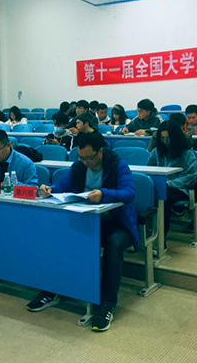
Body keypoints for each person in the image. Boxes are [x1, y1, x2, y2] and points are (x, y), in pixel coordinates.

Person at [32, 132, 138, 332]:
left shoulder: (118, 165)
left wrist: (104, 193)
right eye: (81, 157)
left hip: (116, 222)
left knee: (113, 245)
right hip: (86, 219)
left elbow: (129, 193)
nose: (86, 162)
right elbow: (61, 187)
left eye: (89, 158)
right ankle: (52, 290)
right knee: (57, 238)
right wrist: (49, 189)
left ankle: (106, 304)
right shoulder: (79, 166)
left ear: (100, 151)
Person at [147, 121, 197, 240]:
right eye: (162, 138)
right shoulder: (156, 152)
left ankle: (161, 238)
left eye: (168, 138)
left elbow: (189, 176)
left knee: (162, 199)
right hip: (160, 187)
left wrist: (168, 184)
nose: (165, 141)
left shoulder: (187, 154)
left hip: (180, 189)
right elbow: (149, 169)